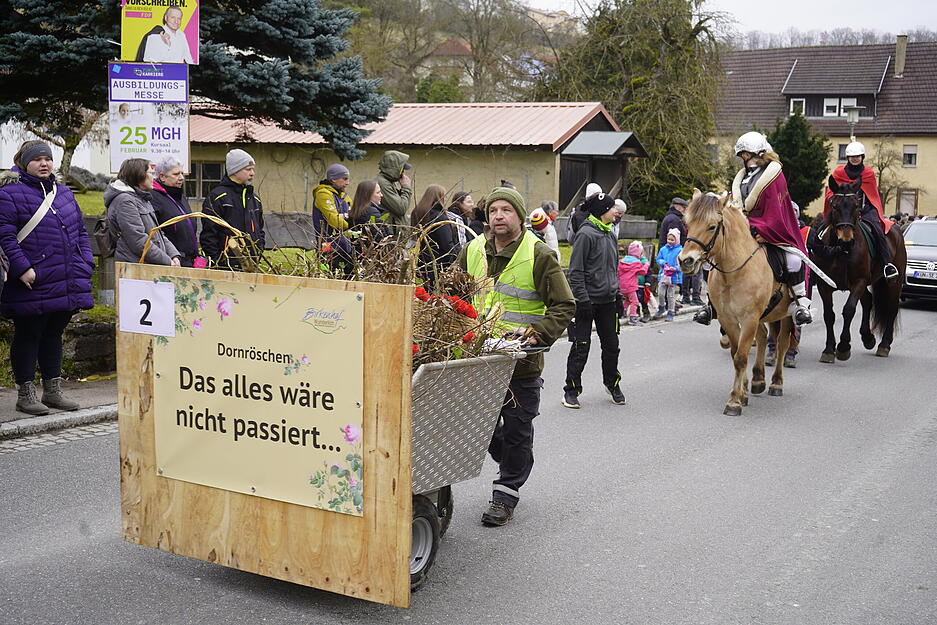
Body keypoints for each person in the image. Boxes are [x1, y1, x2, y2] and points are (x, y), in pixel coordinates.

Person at [458, 186, 575, 526]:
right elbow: (453, 293)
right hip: (479, 359)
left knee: (518, 428)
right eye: (493, 210)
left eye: (506, 210)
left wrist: (537, 332)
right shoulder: (472, 250)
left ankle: (505, 494)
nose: (498, 216)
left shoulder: (538, 254)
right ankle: (517, 459)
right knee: (484, 429)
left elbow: (564, 305)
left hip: (522, 362)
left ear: (519, 216)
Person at [0, 141, 94, 415]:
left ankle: (52, 391)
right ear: (23, 162)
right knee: (29, 334)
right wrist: (21, 268)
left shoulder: (63, 193)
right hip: (32, 278)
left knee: (54, 334)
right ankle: (25, 394)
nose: (44, 164)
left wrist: (85, 263)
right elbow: (5, 236)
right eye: (38, 159)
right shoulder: (9, 194)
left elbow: (80, 234)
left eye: (48, 159)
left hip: (65, 278)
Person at [726, 131, 812, 326]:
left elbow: (775, 209)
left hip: (772, 228)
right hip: (744, 228)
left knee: (794, 260)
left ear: (760, 153)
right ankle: (714, 303)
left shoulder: (774, 176)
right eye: (743, 156)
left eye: (747, 154)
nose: (745, 159)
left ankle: (799, 303)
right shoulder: (744, 178)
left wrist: (763, 232)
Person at [562, 192, 626, 409]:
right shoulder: (586, 235)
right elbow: (576, 272)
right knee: (581, 347)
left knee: (612, 346)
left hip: (608, 302)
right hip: (587, 302)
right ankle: (571, 390)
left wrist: (617, 295)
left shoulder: (610, 234)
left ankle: (612, 383)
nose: (615, 211)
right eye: (611, 208)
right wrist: (583, 301)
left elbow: (612, 269)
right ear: (601, 212)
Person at [824, 140, 899, 280]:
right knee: (823, 229)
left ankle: (887, 265)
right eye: (852, 156)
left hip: (865, 210)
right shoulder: (838, 172)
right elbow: (830, 190)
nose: (855, 158)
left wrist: (865, 210)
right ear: (847, 157)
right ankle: (815, 259)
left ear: (862, 157)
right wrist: (830, 199)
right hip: (843, 212)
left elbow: (872, 194)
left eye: (858, 156)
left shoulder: (868, 173)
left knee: (877, 230)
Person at [105, 158, 182, 266]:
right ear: (139, 175)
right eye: (150, 173)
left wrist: (174, 255)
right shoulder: (125, 201)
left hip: (150, 265)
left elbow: (157, 233)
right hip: (134, 268)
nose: (154, 178)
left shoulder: (143, 198)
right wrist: (167, 261)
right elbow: (137, 240)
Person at [200, 149, 265, 270]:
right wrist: (218, 261)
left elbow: (260, 229)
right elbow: (209, 234)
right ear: (235, 171)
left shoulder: (255, 199)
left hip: (251, 264)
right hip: (226, 265)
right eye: (248, 169)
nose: (252, 173)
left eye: (253, 169)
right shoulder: (217, 197)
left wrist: (259, 251)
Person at [151, 156, 199, 267]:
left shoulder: (180, 196)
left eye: (182, 173)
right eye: (176, 174)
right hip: (172, 261)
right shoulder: (153, 198)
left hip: (189, 260)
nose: (181, 178)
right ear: (162, 176)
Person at [312, 164, 354, 275]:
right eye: (344, 179)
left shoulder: (344, 196)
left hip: (345, 244)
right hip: (327, 244)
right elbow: (335, 221)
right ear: (333, 179)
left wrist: (345, 218)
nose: (347, 182)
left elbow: (354, 215)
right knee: (330, 274)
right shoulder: (323, 194)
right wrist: (349, 222)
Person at [412, 184, 458, 284]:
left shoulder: (417, 213)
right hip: (439, 265)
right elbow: (447, 244)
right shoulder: (440, 218)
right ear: (440, 197)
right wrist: (457, 258)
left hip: (422, 262)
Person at [376, 150, 413, 232]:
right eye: (402, 169)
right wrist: (406, 187)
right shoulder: (383, 184)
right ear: (395, 169)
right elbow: (401, 209)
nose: (403, 173)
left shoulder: (388, 181)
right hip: (390, 233)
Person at [653, 228, 683, 321]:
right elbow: (658, 259)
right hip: (663, 275)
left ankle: (671, 311)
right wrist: (663, 262)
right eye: (668, 239)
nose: (670, 241)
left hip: (673, 277)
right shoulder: (663, 249)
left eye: (672, 240)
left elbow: (681, 264)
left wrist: (676, 268)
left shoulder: (680, 250)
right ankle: (661, 307)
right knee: (661, 293)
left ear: (677, 240)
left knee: (670, 295)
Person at [618, 241, 649, 325]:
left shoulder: (622, 261)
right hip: (631, 286)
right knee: (635, 302)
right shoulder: (637, 262)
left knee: (628, 300)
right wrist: (646, 265)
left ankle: (623, 313)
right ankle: (633, 318)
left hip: (622, 286)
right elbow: (642, 272)